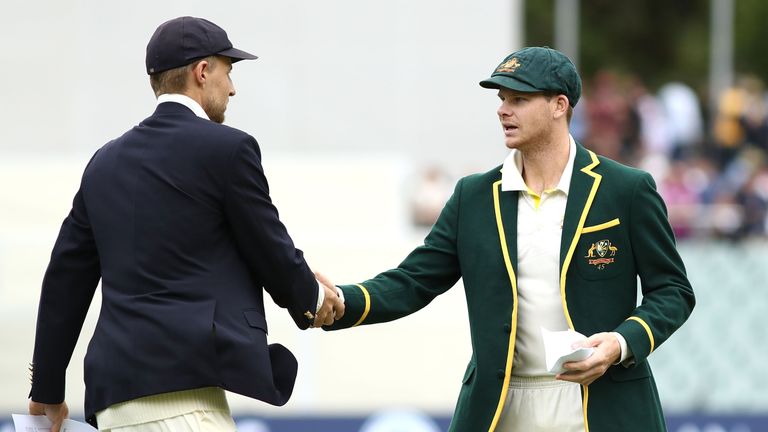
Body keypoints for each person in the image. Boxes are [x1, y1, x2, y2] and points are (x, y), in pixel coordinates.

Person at [320, 47, 695, 431]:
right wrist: (344, 301)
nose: (503, 110)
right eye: (502, 99)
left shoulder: (626, 189)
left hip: (602, 405)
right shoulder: (473, 196)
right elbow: (414, 280)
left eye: (519, 99)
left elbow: (673, 291)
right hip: (499, 410)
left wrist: (620, 343)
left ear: (559, 105)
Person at [27, 16, 343, 432]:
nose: (232, 89)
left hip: (112, 405)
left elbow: (65, 281)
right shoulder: (229, 149)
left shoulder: (104, 162)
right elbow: (269, 246)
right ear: (202, 71)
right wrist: (316, 300)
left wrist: (47, 389)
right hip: (182, 403)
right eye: (228, 73)